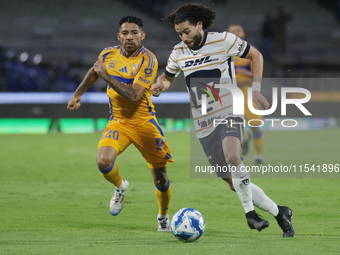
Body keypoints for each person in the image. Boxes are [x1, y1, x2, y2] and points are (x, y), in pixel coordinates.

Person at [151, 3, 294, 237]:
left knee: (232, 156)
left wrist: (256, 90)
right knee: (232, 181)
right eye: (179, 34)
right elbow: (167, 77)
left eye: (186, 31)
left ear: (199, 25)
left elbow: (255, 55)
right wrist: (160, 85)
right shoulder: (178, 52)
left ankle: (250, 215)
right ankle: (280, 212)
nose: (184, 37)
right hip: (203, 124)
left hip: (229, 111)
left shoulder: (224, 40)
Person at [67, 16, 173, 231]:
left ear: (142, 35)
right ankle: (120, 186)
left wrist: (106, 76)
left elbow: (133, 96)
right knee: (103, 161)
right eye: (125, 33)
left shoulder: (148, 59)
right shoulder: (107, 54)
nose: (129, 37)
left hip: (144, 123)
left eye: (134, 32)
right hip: (119, 122)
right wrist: (78, 94)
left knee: (160, 179)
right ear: (119, 36)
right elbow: (94, 71)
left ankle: (163, 217)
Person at [228, 24, 264, 165]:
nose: (236, 33)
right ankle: (244, 137)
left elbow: (257, 72)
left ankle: (258, 156)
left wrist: (242, 74)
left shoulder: (251, 52)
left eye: (238, 31)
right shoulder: (223, 51)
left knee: (255, 125)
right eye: (232, 31)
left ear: (243, 33)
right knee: (233, 125)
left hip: (247, 92)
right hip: (231, 93)